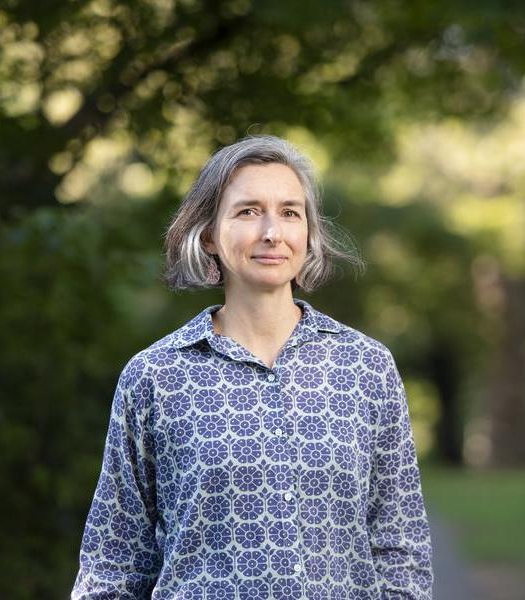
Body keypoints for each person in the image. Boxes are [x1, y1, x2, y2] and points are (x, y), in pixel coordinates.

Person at [71, 135, 433, 599]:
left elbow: (401, 552)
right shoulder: (156, 377)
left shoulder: (366, 368)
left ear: (308, 233)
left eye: (289, 212)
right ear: (207, 235)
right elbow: (112, 564)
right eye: (247, 211)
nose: (272, 233)